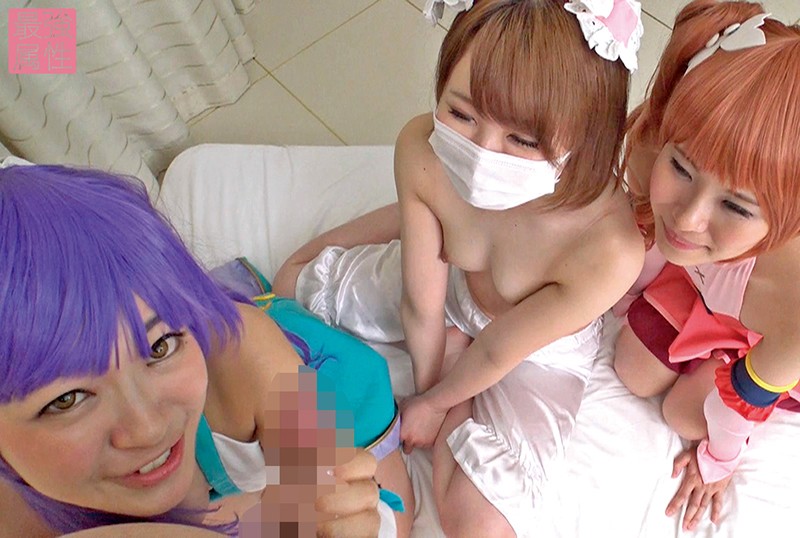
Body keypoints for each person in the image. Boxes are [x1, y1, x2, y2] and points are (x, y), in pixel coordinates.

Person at [273, 1, 646, 535]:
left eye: (523, 139)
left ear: (586, 134)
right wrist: (428, 387)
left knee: (482, 524)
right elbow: (421, 304)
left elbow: (500, 350)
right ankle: (420, 229)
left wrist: (436, 404)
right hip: (453, 289)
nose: (482, 152)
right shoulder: (422, 149)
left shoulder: (609, 246)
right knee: (293, 287)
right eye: (461, 114)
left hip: (538, 351)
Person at [0, 163, 414, 537]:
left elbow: (361, 509)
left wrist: (344, 513)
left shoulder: (249, 359)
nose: (148, 428)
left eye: (160, 347)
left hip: (312, 369)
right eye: (67, 400)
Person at [612, 0, 800, 532]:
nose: (688, 218)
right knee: (632, 367)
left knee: (683, 414)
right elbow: (646, 231)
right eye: (681, 167)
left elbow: (739, 406)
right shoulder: (653, 145)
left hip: (769, 346)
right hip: (703, 290)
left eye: (737, 207)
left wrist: (719, 461)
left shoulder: (794, 304)